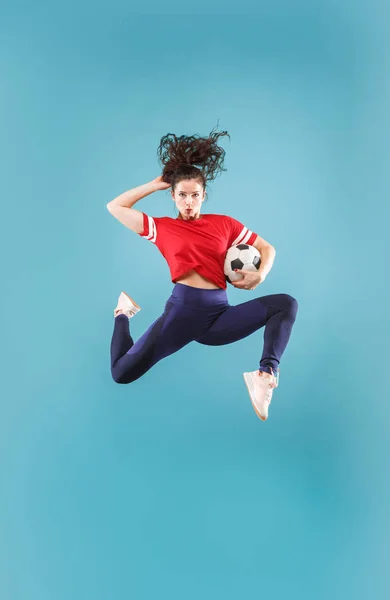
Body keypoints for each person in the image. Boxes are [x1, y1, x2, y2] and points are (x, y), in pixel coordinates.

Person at [106, 127, 298, 421]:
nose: (188, 202)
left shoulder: (224, 224)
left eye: (195, 195)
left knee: (286, 304)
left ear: (204, 195)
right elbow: (115, 206)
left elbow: (266, 248)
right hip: (181, 316)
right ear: (172, 195)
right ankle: (123, 312)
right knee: (121, 373)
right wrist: (154, 184)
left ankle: (265, 374)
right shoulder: (163, 229)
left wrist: (260, 275)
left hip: (218, 316)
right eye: (182, 195)